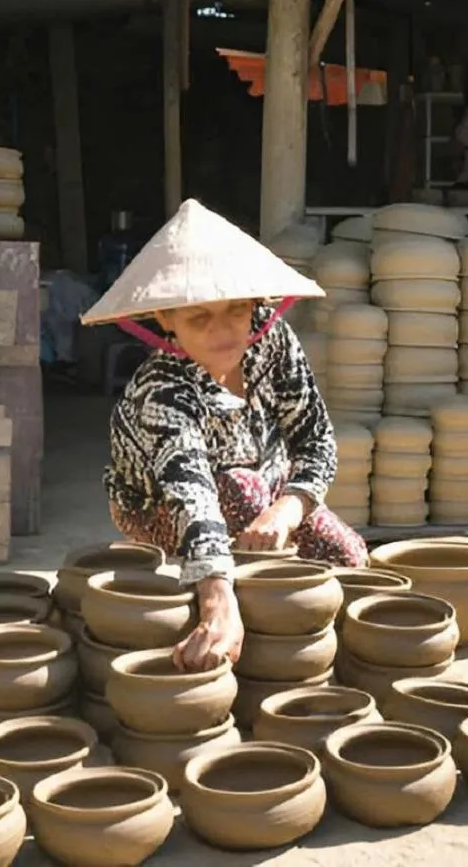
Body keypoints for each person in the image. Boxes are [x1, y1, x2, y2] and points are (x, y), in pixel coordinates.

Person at [81, 199, 370, 672]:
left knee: (349, 558)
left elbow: (315, 438)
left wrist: (291, 505)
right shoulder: (160, 389)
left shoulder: (271, 341)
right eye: (199, 318)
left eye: (235, 311)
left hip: (266, 488)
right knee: (239, 493)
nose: (222, 332)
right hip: (160, 505)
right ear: (165, 319)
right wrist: (217, 602)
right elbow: (193, 494)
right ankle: (234, 621)